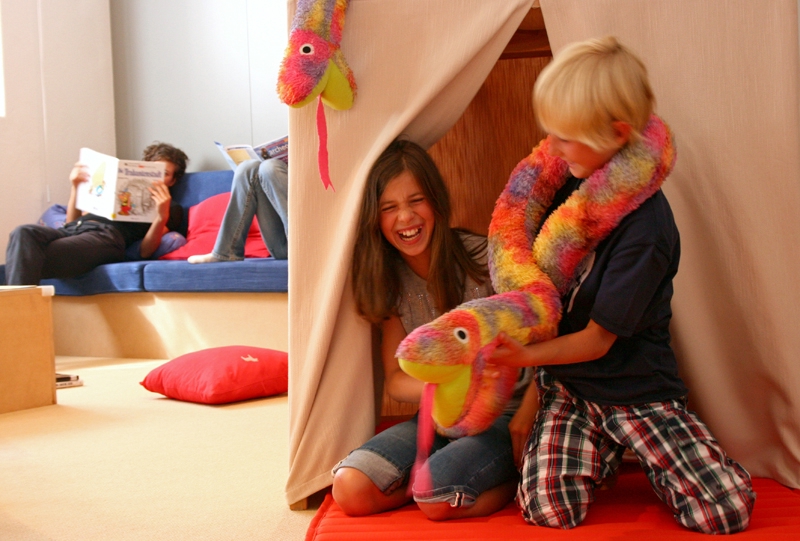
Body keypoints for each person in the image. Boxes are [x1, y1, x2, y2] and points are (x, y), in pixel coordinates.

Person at [486, 36, 755, 534]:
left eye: (566, 137)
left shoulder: (647, 230)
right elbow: (523, 253)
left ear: (616, 134)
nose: (552, 148)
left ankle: (645, 451)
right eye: (551, 134)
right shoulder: (566, 177)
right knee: (547, 509)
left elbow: (596, 341)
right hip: (571, 391)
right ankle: (598, 453)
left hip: (637, 391)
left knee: (723, 511)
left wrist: (521, 358)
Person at [331, 139, 534, 521]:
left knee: (436, 499)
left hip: (506, 415)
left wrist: (529, 410)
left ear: (436, 201)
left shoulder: (485, 257)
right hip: (439, 416)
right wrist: (448, 390)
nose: (405, 217)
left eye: (416, 201)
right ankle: (437, 482)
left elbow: (546, 332)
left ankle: (511, 478)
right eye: (389, 208)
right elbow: (395, 379)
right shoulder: (389, 278)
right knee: (350, 488)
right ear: (375, 218)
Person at [4, 142, 188, 286]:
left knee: (26, 256)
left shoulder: (172, 208)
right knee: (22, 233)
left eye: (164, 173)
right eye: (153, 170)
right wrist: (76, 187)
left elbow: (146, 251)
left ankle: (14, 315)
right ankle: (18, 312)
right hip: (73, 231)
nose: (157, 178)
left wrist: (160, 215)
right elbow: (70, 223)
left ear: (173, 180)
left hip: (105, 238)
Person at [187, 158, 288, 263]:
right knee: (248, 167)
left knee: (270, 167)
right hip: (282, 246)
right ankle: (226, 252)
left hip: (299, 244)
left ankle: (298, 243)